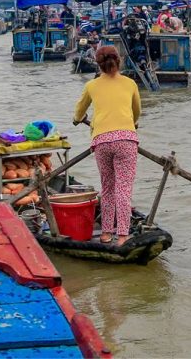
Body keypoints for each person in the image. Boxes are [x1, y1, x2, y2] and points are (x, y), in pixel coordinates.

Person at [73, 46, 141, 246]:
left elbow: (79, 111)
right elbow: (136, 111)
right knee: (124, 189)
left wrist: (78, 119)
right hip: (126, 140)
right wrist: (131, 124)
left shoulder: (92, 86)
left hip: (101, 141)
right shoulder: (130, 84)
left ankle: (106, 233)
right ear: (118, 61)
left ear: (98, 64)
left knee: (108, 187)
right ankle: (122, 235)